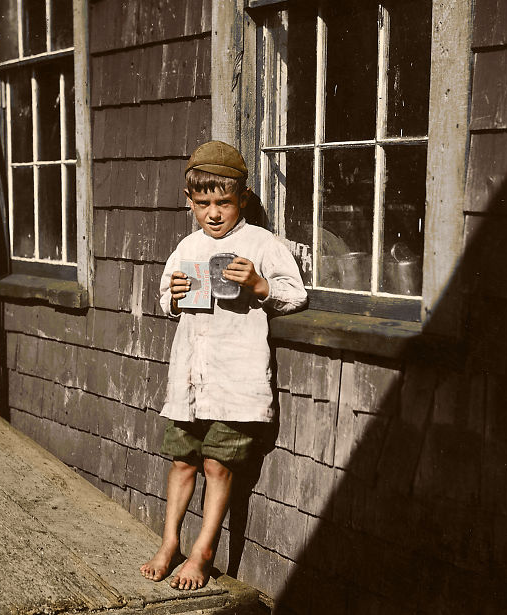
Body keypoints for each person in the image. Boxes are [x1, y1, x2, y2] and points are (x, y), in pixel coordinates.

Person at [140, 140, 307, 590]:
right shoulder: (187, 246)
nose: (213, 213)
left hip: (236, 381)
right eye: (203, 204)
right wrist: (172, 296)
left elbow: (295, 293)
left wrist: (257, 284)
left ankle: (203, 550)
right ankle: (169, 542)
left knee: (217, 465)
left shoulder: (261, 243)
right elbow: (163, 297)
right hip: (190, 381)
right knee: (182, 463)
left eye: (223, 203)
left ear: (242, 200)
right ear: (189, 202)